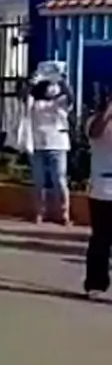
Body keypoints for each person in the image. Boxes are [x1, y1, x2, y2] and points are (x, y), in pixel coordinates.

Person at [25, 77, 73, 225]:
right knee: (39, 181)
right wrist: (32, 83)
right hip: (38, 145)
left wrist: (63, 81)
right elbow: (25, 98)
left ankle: (64, 213)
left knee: (59, 180)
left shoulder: (61, 102)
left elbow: (70, 97)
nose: (52, 89)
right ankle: (39, 212)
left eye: (55, 86)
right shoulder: (35, 102)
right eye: (49, 86)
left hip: (58, 145)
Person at [84, 95, 112, 299]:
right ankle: (96, 283)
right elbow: (96, 133)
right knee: (101, 239)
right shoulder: (94, 122)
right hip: (103, 190)